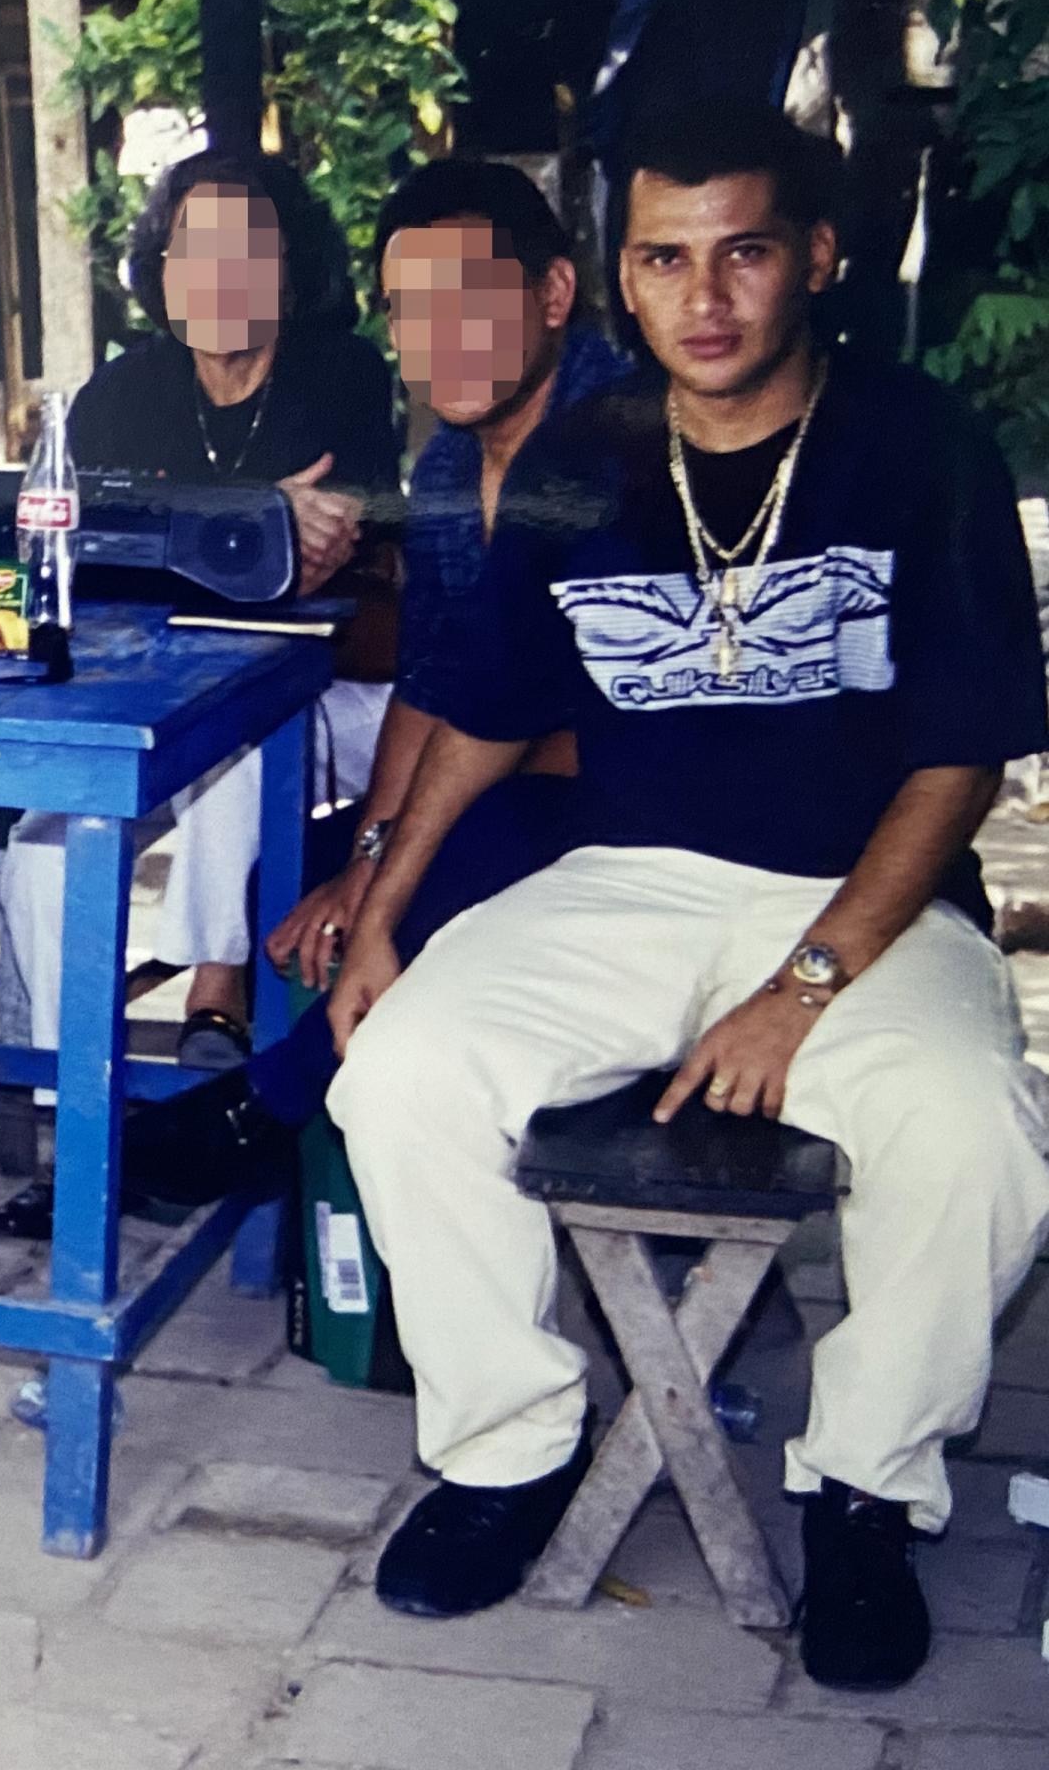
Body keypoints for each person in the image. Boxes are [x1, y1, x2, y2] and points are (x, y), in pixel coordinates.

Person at [322, 102, 1049, 1691]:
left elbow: (964, 756)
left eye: (746, 253)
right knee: (405, 1067)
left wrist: (804, 983)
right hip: (629, 880)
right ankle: (509, 1449)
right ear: (623, 279)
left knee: (974, 1129)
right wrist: (383, 904)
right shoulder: (585, 462)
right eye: (667, 258)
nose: (706, 297)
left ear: (817, 263)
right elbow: (497, 710)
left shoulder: (919, 446)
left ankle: (866, 1489)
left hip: (866, 898)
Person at [56, 161, 634, 1223]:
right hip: (483, 757)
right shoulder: (461, 457)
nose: (441, 337)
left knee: (431, 849)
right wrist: (369, 852)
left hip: (637, 809)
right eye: (416, 310)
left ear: (552, 296)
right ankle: (300, 1144)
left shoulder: (615, 437)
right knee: (291, 874)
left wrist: (389, 871)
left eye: (472, 301)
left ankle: (262, 1113)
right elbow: (441, 668)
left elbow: (542, 725)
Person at [0, 150, 397, 1129]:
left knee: (244, 746)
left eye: (248, 247)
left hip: (321, 696)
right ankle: (74, 1099)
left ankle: (219, 994)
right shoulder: (122, 393)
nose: (220, 271)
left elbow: (332, 554)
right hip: (152, 700)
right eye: (193, 248)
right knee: (42, 851)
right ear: (162, 275)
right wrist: (252, 521)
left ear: (290, 271)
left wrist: (183, 535)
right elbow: (88, 551)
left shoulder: (339, 377)